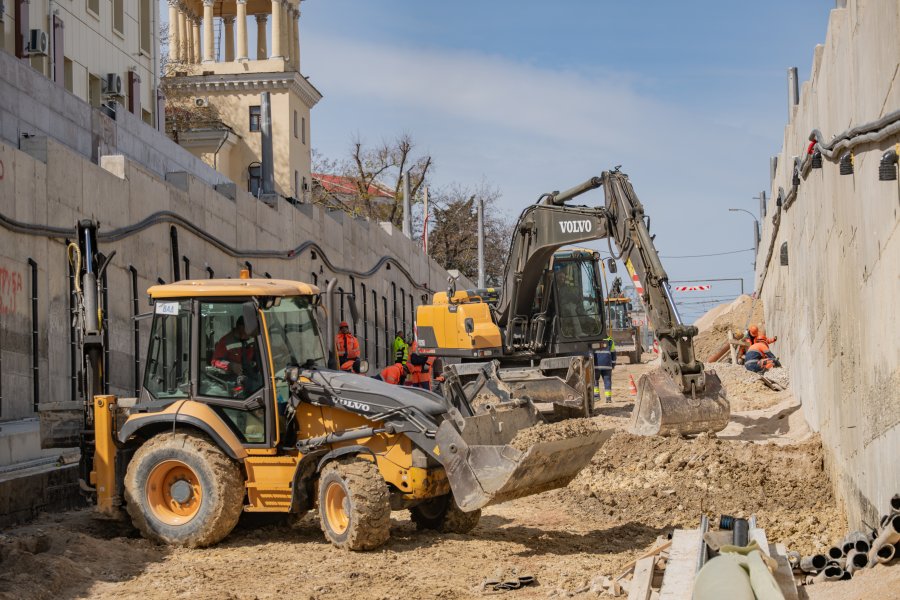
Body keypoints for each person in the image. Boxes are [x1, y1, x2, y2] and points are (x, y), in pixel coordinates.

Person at [211, 316, 260, 395]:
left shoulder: (251, 338)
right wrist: (231, 365)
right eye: (250, 329)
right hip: (233, 378)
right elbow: (215, 361)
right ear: (241, 328)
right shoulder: (225, 341)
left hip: (251, 374)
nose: (252, 332)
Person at [593, 335, 616, 403]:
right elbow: (613, 353)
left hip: (596, 365)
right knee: (607, 381)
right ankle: (608, 398)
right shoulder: (610, 340)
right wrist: (613, 364)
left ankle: (596, 397)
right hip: (607, 365)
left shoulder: (593, 339)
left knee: (595, 380)